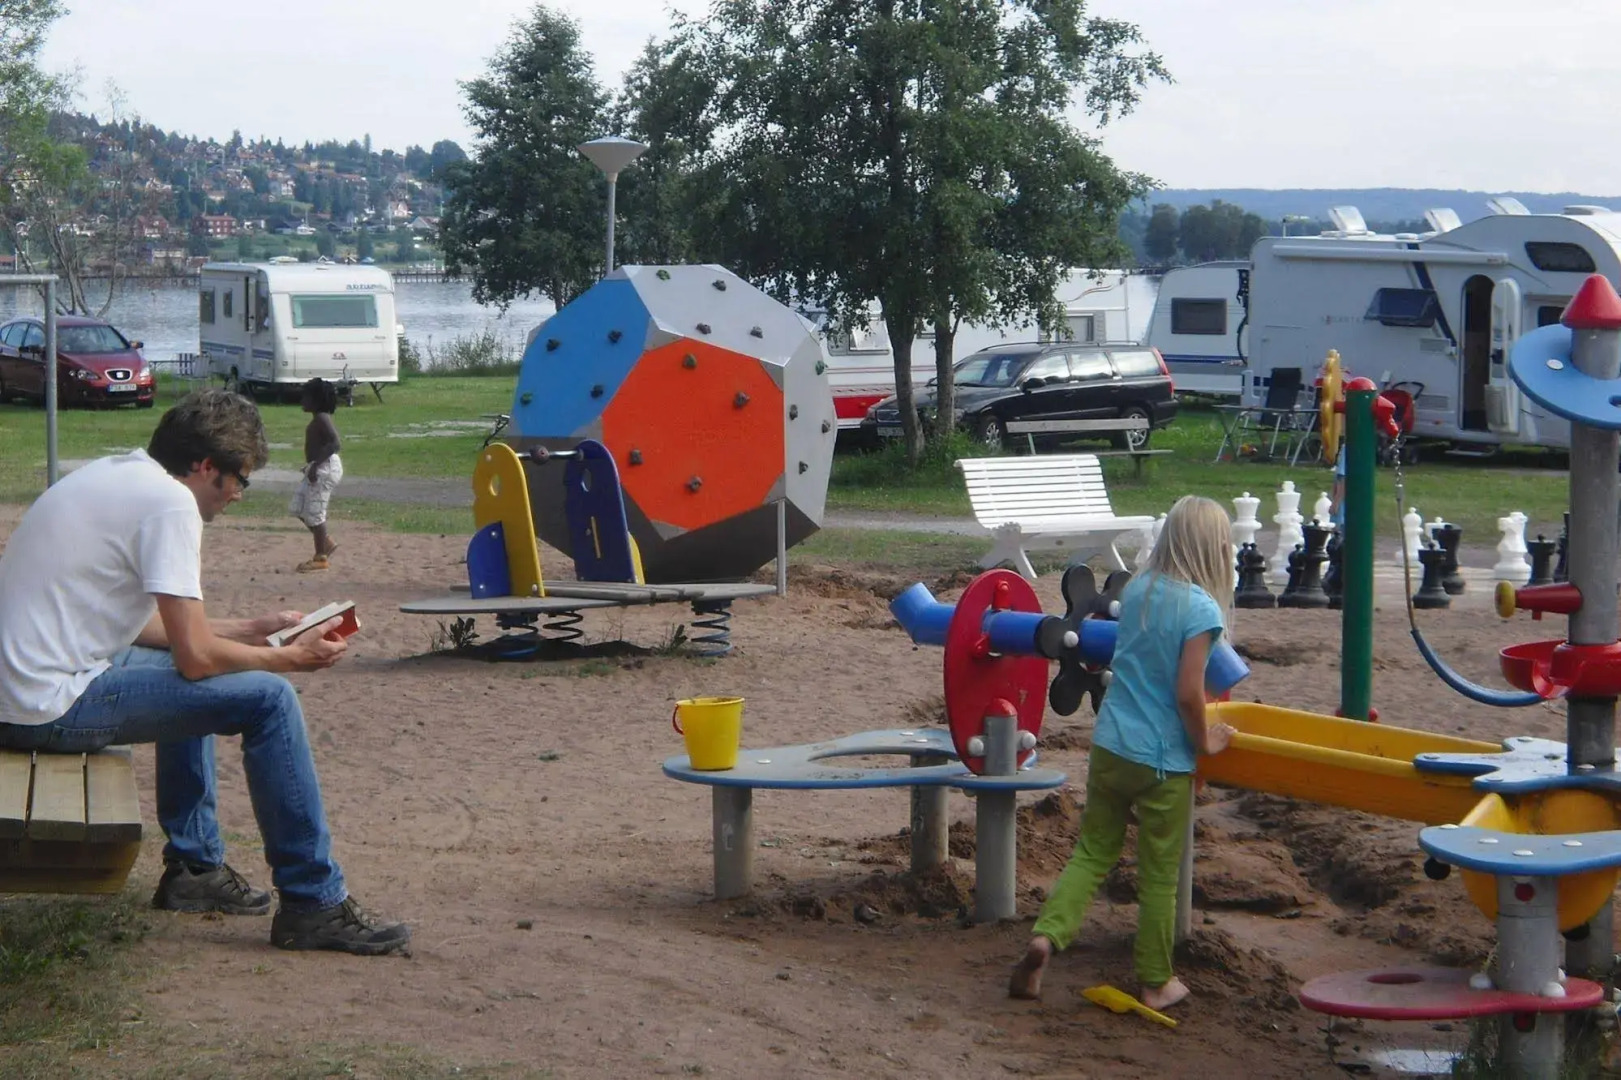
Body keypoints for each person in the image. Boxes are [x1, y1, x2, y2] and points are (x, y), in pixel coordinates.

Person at [0, 389, 409, 956]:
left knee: (205, 674)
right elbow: (195, 656)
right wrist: (285, 659)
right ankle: (313, 902)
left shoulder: (119, 476)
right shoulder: (171, 504)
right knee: (269, 698)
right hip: (45, 704)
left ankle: (196, 869)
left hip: (25, 686)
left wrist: (251, 630)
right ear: (205, 466)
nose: (238, 494)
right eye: (239, 478)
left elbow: (150, 630)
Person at [1007, 495, 1237, 1011]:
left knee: (1092, 852)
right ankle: (1156, 980)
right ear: (1214, 550)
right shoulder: (1201, 610)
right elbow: (1189, 693)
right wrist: (1206, 742)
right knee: (1159, 875)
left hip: (1111, 744)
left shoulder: (1140, 590)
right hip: (1162, 760)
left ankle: (1046, 937)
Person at [291, 377, 343, 573]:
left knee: (315, 512)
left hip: (324, 467)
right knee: (298, 508)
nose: (302, 400)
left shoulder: (322, 418)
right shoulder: (317, 418)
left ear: (316, 399)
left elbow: (335, 443)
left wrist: (315, 466)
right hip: (317, 466)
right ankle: (325, 541)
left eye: (306, 397)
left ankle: (320, 557)